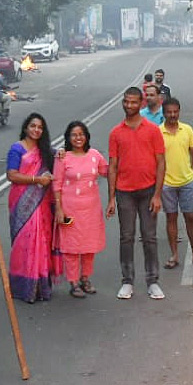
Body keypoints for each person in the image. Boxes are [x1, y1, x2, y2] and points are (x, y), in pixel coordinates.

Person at [107, 86, 166, 300]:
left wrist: (157, 194)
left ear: (140, 103)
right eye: (126, 102)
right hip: (124, 193)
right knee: (126, 237)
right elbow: (112, 166)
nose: (129, 105)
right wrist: (111, 197)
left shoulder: (152, 130)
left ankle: (153, 281)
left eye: (134, 102)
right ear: (123, 103)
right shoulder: (116, 133)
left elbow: (161, 163)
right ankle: (127, 281)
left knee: (149, 237)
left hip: (148, 191)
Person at [52, 120, 109, 298]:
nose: (78, 138)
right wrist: (59, 209)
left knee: (89, 246)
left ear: (87, 136)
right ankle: (73, 282)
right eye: (74, 135)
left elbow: (108, 171)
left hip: (91, 209)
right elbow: (57, 185)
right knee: (71, 248)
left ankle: (85, 278)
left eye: (81, 134)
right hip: (70, 209)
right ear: (69, 138)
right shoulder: (63, 158)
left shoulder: (94, 155)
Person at [6, 112, 57, 302]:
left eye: (40, 127)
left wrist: (59, 152)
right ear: (26, 127)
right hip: (21, 202)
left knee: (41, 240)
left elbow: (59, 160)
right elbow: (11, 175)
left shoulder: (45, 150)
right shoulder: (17, 149)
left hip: (41, 203)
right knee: (25, 242)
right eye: (33, 126)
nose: (36, 130)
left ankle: (40, 287)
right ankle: (24, 287)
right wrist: (37, 179)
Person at [159, 97, 193, 269]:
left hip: (188, 181)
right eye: (169, 112)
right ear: (164, 113)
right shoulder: (157, 133)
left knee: (191, 217)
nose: (172, 115)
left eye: (175, 111)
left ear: (179, 112)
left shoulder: (187, 130)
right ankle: (174, 254)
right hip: (167, 184)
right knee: (171, 218)